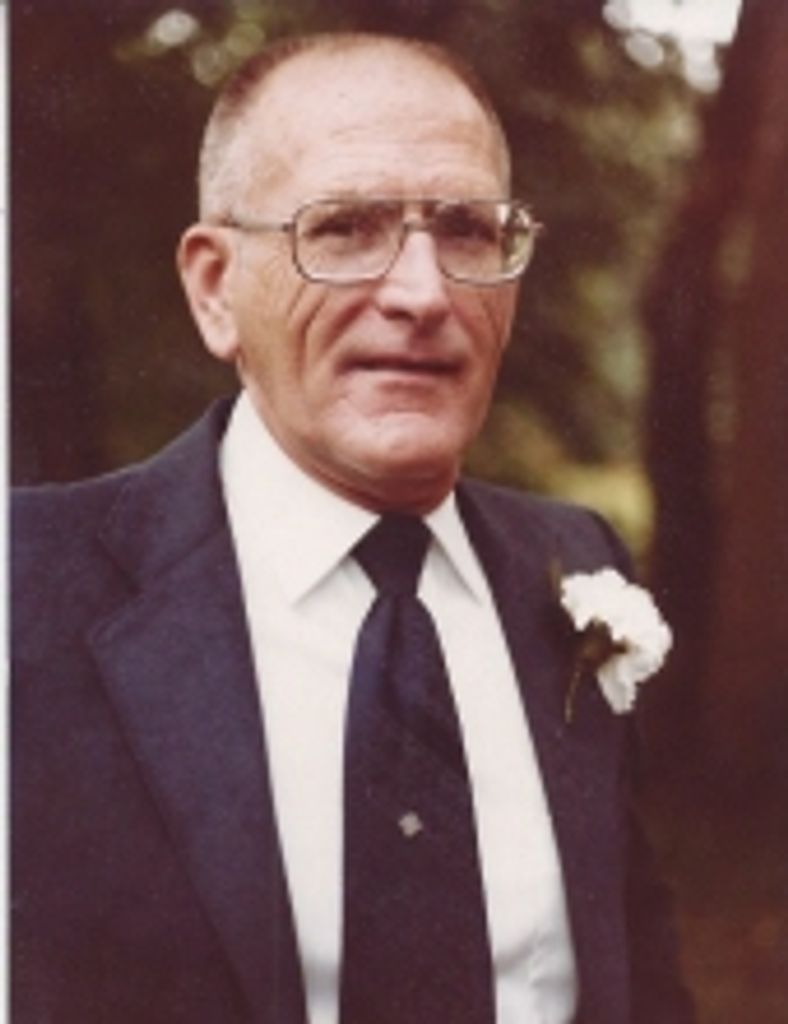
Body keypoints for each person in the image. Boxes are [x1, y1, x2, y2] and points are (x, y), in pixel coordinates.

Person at [11, 31, 695, 1024]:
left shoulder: (573, 565)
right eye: (343, 228)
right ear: (214, 288)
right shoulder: (29, 588)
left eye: (467, 231)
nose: (422, 293)